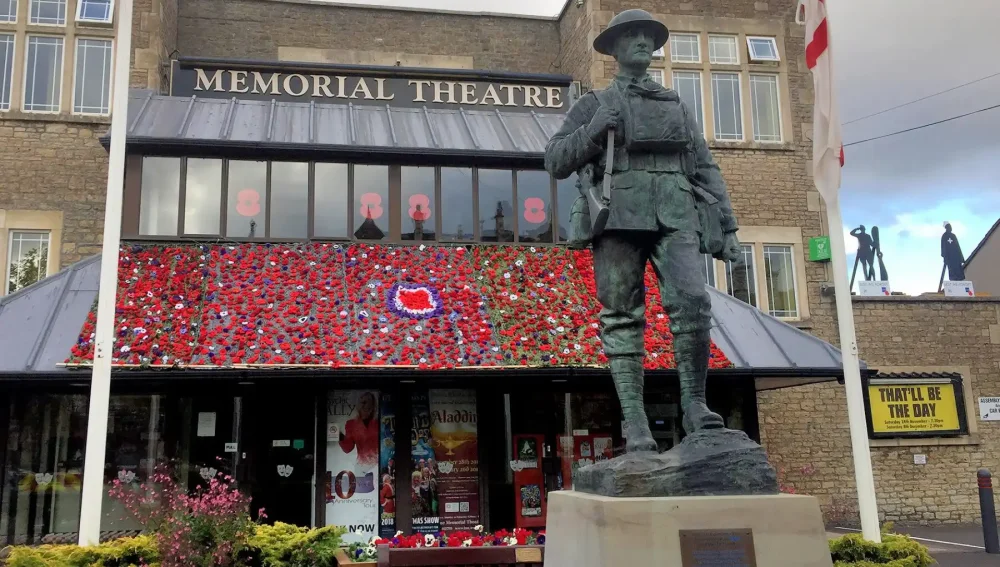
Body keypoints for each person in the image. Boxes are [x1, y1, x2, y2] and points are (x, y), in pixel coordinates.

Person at [544, 9, 741, 453]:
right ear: (613, 48)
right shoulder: (592, 103)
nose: (640, 43)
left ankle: (695, 406)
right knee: (621, 316)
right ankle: (634, 421)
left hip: (675, 212)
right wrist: (594, 132)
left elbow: (705, 167)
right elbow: (555, 160)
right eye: (630, 36)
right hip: (618, 215)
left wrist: (727, 227)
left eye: (647, 37)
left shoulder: (676, 104)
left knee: (692, 302)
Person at [338, 391, 379, 467]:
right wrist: (338, 435)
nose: (367, 405)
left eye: (370, 402)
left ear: (373, 405)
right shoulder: (351, 424)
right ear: (358, 405)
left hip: (379, 465)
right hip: (362, 466)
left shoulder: (380, 422)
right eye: (363, 402)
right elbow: (348, 448)